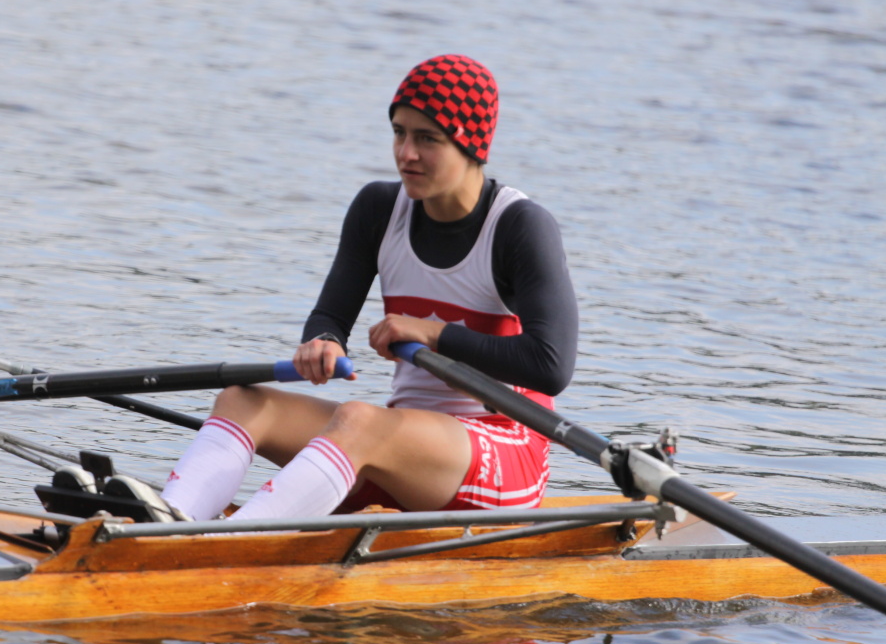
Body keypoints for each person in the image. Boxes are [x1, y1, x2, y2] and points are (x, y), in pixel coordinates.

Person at [104, 54, 578, 522]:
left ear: (473, 146)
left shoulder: (519, 227)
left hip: (505, 449)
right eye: (399, 133)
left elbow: (550, 365)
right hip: (403, 450)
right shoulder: (379, 208)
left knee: (358, 420)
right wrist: (323, 342)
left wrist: (434, 334)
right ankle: (169, 521)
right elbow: (331, 315)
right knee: (241, 399)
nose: (406, 154)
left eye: (427, 139)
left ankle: (221, 544)